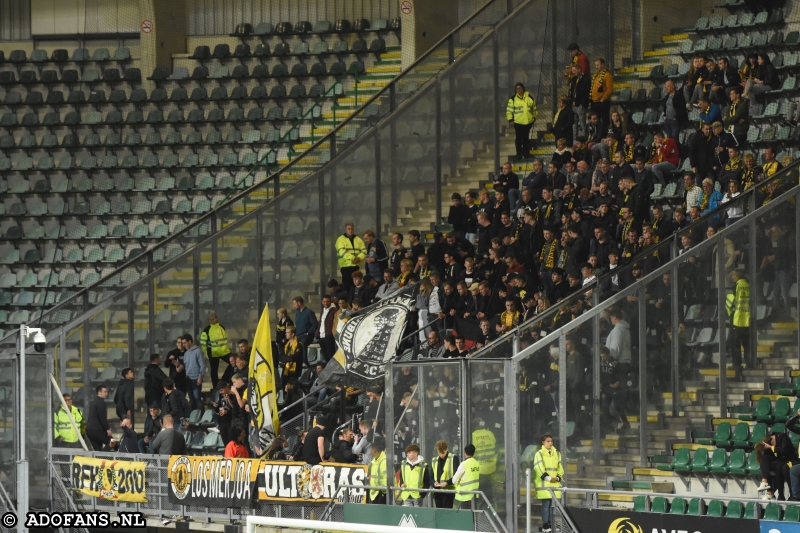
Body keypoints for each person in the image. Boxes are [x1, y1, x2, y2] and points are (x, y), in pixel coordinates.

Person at [533, 433, 564, 533]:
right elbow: (538, 467)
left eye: (551, 441)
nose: (550, 443)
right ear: (543, 442)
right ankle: (546, 525)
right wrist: (548, 478)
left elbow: (560, 468)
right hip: (545, 484)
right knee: (546, 505)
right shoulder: (539, 453)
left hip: (554, 484)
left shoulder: (557, 454)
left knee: (553, 506)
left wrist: (558, 478)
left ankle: (553, 524)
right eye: (548, 441)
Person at [756, 431, 795, 501]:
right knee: (765, 460)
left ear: (772, 440)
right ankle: (765, 484)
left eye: (772, 444)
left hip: (789, 461)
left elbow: (784, 451)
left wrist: (771, 447)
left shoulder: (783, 437)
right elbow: (767, 456)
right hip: (780, 461)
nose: (773, 445)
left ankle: (777, 494)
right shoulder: (771, 441)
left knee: (780, 467)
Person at [599, 346, 629, 431]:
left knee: (618, 407)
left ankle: (625, 422)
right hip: (605, 388)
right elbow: (599, 375)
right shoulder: (600, 363)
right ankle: (609, 425)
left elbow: (621, 375)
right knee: (604, 407)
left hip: (615, 388)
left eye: (604, 356)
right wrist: (600, 383)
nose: (603, 358)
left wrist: (618, 382)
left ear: (608, 354)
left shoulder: (616, 363)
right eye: (601, 356)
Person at [727, 269, 751, 370]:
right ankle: (750, 364)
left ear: (738, 276)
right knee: (748, 345)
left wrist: (729, 314)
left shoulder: (736, 287)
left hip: (737, 320)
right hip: (748, 320)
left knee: (735, 344)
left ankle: (737, 364)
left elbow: (729, 303)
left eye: (734, 275)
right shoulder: (749, 286)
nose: (732, 277)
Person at [507, 82, 537, 160]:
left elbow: (534, 108)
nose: (518, 90)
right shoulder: (513, 99)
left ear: (523, 89)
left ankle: (526, 153)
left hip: (528, 121)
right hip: (518, 122)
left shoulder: (529, 97)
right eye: (517, 89)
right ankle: (519, 154)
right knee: (518, 139)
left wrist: (534, 117)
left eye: (519, 88)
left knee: (526, 139)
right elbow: (509, 111)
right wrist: (510, 119)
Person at [200, 312, 231, 389]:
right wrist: (207, 353)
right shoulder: (207, 329)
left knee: (233, 363)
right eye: (210, 319)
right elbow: (203, 343)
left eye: (213, 319)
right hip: (213, 353)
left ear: (216, 319)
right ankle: (215, 387)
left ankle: (224, 379)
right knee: (214, 370)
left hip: (223, 351)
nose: (212, 320)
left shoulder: (221, 327)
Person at [335, 223, 366, 291]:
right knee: (347, 286)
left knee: (356, 286)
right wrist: (353, 258)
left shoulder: (358, 239)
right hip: (346, 266)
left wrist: (358, 258)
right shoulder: (340, 239)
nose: (350, 230)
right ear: (345, 230)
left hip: (356, 265)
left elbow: (364, 251)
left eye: (352, 229)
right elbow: (342, 252)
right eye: (349, 229)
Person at [432, 440, 460, 509]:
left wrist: (447, 482)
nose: (441, 455)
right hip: (437, 492)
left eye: (443, 453)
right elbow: (430, 477)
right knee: (438, 514)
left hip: (448, 492)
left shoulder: (454, 458)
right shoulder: (434, 460)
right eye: (439, 453)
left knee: (446, 513)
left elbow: (457, 475)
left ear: (446, 449)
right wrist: (433, 483)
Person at [453, 443, 481, 510]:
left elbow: (454, 480)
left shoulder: (464, 464)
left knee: (466, 517)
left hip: (465, 496)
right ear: (474, 453)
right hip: (474, 495)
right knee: (473, 517)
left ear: (464, 452)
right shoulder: (477, 463)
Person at [183, 334, 206, 412]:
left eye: (185, 343)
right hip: (188, 379)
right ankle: (194, 416)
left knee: (197, 399)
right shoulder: (186, 353)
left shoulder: (198, 351)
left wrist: (200, 377)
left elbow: (202, 365)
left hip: (196, 379)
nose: (184, 345)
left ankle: (201, 415)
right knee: (192, 400)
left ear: (190, 341)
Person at [590, 58, 613, 124]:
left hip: (603, 102)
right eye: (596, 65)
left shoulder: (607, 75)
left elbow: (610, 89)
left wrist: (603, 98)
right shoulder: (596, 75)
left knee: (604, 120)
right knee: (595, 120)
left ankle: (605, 133)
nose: (596, 67)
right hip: (594, 101)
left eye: (598, 65)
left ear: (602, 64)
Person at [316, 295, 337, 362]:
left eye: (327, 301)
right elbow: (320, 323)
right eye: (324, 301)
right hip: (321, 336)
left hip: (329, 336)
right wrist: (317, 333)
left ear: (331, 301)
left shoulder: (334, 310)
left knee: (331, 356)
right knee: (326, 357)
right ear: (322, 302)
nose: (326, 303)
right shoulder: (322, 311)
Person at [368, 439, 388, 504]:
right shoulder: (374, 460)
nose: (370, 451)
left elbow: (386, 478)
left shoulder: (384, 461)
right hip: (374, 493)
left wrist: (383, 491)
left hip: (382, 494)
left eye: (371, 449)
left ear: (374, 450)